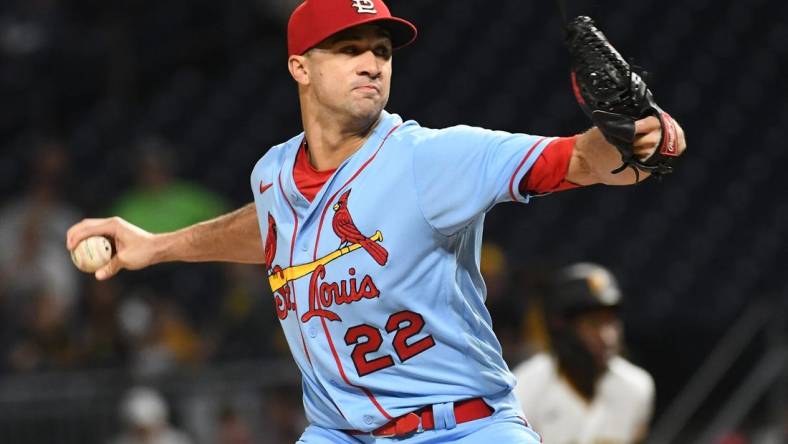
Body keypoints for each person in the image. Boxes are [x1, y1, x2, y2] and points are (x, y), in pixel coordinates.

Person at [67, 0, 686, 442]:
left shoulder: (430, 159)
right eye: (349, 49)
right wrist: (155, 246)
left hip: (461, 427)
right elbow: (272, 228)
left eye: (382, 51)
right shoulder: (273, 173)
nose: (372, 63)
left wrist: (633, 137)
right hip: (338, 433)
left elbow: (575, 159)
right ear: (299, 68)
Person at [512, 263, 655, 444]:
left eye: (611, 322)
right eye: (594, 324)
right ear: (562, 327)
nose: (607, 337)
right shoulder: (524, 388)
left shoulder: (637, 387)